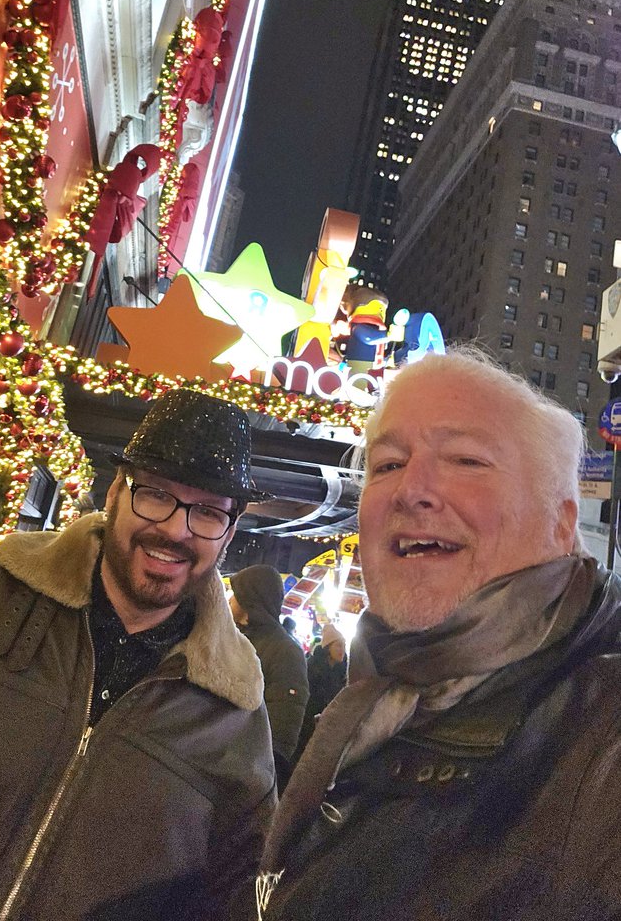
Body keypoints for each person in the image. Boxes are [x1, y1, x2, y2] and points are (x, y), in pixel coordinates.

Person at [252, 348, 621, 920]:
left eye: (466, 460)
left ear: (560, 522)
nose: (412, 489)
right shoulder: (369, 702)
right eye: (387, 465)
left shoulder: (603, 736)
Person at [0, 389, 276, 921]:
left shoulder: (235, 712)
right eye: (156, 494)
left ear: (229, 532)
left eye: (208, 512)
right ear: (117, 491)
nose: (175, 529)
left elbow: (232, 900)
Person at [229, 564, 309, 791]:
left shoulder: (286, 651)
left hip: (246, 775)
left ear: (249, 600)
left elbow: (283, 728)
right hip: (221, 762)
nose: (230, 600)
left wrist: (258, 778)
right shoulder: (235, 638)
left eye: (236, 595)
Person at [294, 622, 347, 758]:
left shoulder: (341, 671)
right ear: (328, 647)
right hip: (307, 723)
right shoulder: (312, 667)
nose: (342, 650)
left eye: (344, 645)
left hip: (326, 724)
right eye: (338, 645)